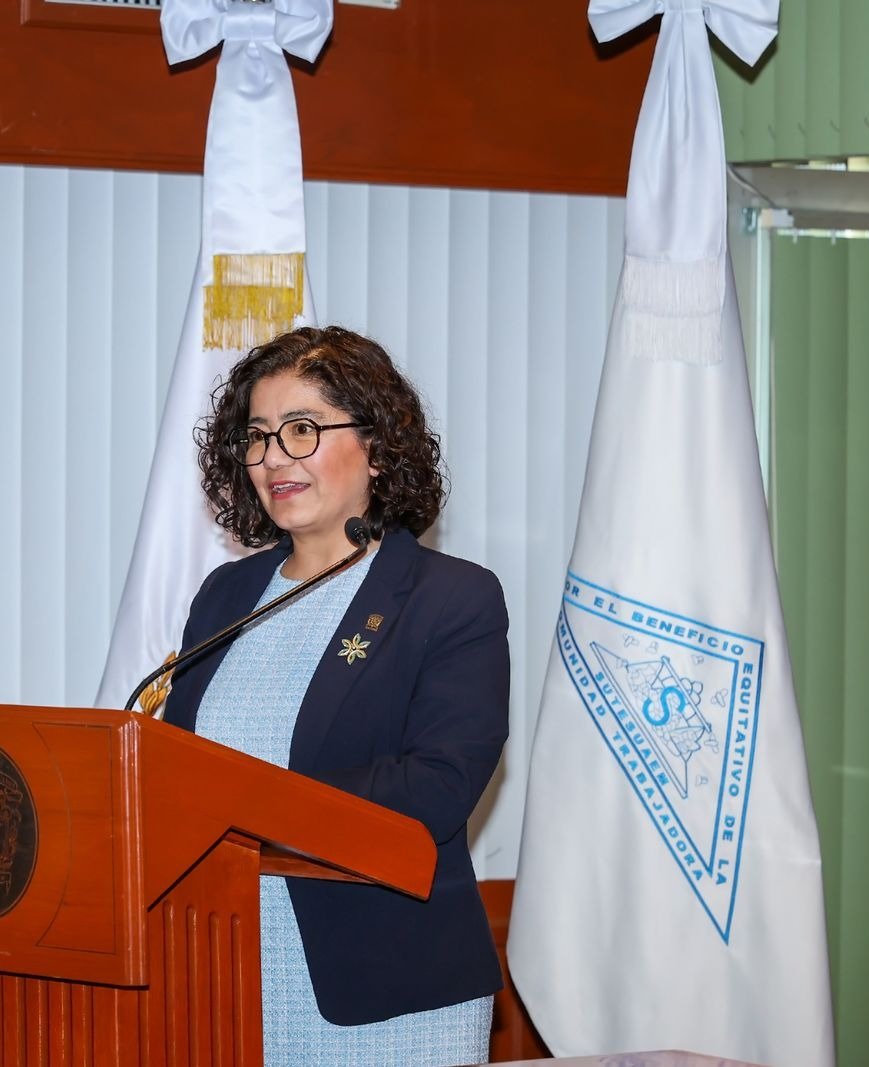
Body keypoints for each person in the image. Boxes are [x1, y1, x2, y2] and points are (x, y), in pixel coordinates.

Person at [161, 325, 508, 1066]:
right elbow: (175, 766)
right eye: (258, 436)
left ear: (377, 447)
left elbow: (438, 785)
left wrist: (245, 804)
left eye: (302, 429)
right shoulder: (225, 595)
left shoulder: (450, 598)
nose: (273, 458)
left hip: (388, 990)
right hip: (220, 975)